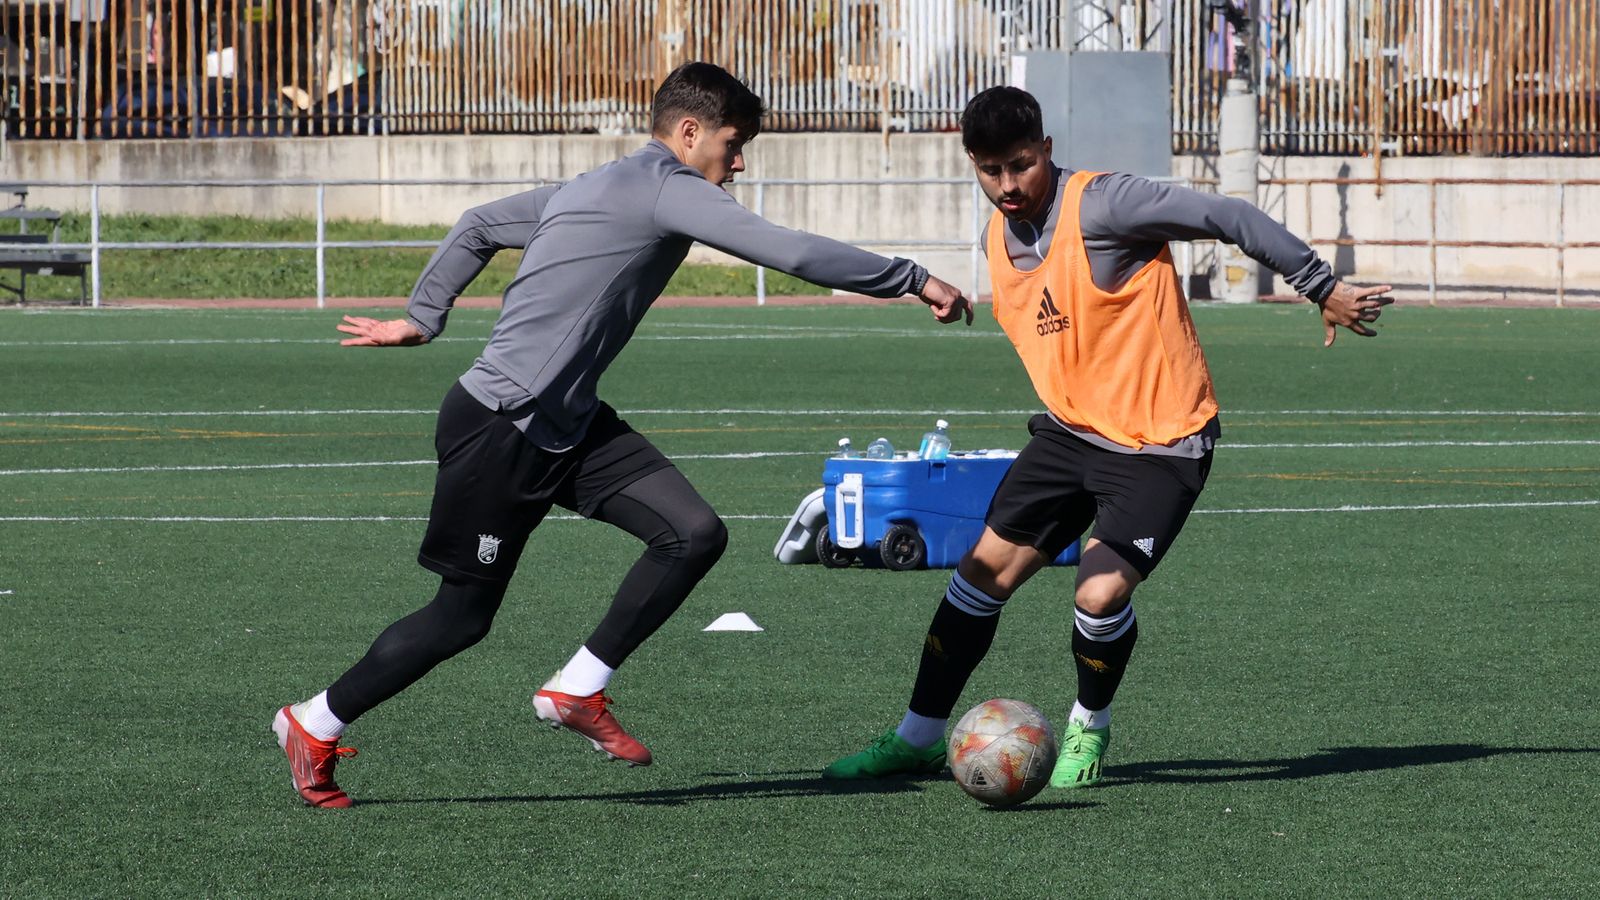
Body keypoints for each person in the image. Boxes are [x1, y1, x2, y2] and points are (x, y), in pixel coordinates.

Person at [272, 61, 973, 808]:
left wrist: (426, 315)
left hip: (568, 423)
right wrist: (912, 276)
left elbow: (479, 224)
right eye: (734, 145)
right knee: (460, 618)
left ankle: (577, 689)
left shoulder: (591, 185)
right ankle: (312, 723)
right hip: (502, 427)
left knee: (694, 533)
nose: (738, 163)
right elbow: (791, 252)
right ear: (690, 131)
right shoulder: (669, 188)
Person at [823, 86, 1392, 789]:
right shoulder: (995, 240)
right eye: (990, 170)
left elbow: (1229, 213)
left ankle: (1088, 727)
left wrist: (1318, 282)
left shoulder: (1105, 204)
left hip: (1162, 442)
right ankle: (917, 738)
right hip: (1071, 436)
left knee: (1097, 595)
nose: (1008, 185)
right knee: (977, 578)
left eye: (1022, 165)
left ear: (1048, 151)